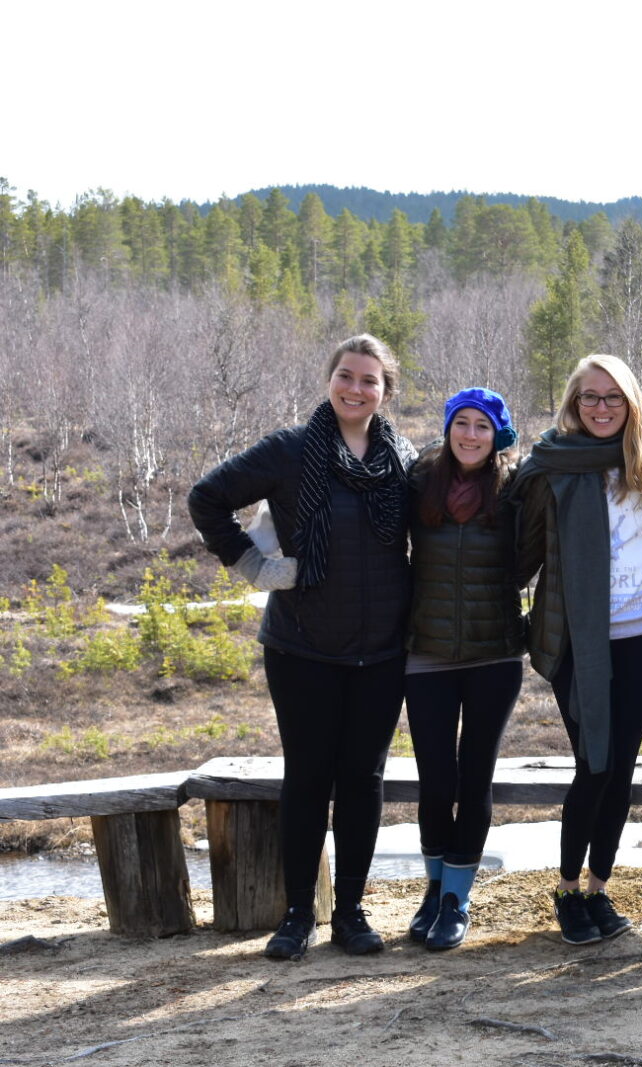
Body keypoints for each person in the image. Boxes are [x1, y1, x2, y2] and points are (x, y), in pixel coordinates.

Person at [188, 334, 416, 960]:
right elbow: (207, 498)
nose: (355, 388)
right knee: (309, 777)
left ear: (385, 391)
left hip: (382, 651)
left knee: (363, 782)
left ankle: (350, 912)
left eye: (370, 380)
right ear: (330, 380)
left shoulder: (402, 457)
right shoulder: (289, 451)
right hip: (303, 648)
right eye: (346, 375)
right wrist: (252, 566)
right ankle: (297, 916)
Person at [512, 355, 642, 946]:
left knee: (621, 770)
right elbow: (520, 555)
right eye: (590, 396)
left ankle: (598, 886)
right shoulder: (551, 467)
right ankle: (565, 889)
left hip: (641, 639)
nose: (602, 407)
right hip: (574, 644)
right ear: (573, 402)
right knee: (594, 765)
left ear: (631, 400)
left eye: (613, 396)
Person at [403, 387, 524, 951]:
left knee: (474, 778)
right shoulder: (417, 481)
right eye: (462, 423)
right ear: (449, 428)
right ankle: (432, 890)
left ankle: (457, 899)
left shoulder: (517, 488)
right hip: (424, 653)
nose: (470, 435)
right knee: (435, 781)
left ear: (497, 434)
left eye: (482, 426)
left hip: (493, 655)